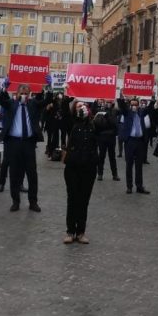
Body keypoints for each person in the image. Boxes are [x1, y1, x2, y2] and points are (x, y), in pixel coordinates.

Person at [0, 81, 46, 212]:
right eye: (21, 93)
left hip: (29, 143)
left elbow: (46, 101)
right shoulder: (11, 104)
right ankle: (15, 201)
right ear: (17, 93)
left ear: (29, 94)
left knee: (32, 173)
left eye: (26, 93)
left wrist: (49, 87)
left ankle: (33, 201)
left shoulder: (33, 104)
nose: (24, 95)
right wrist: (4, 87)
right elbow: (1, 99)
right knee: (14, 173)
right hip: (14, 142)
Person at [63, 101, 99, 244]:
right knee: (72, 199)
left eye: (84, 106)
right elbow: (65, 117)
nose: (81, 108)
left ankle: (81, 232)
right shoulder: (72, 123)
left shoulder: (93, 124)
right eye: (78, 106)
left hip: (89, 167)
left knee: (84, 200)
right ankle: (70, 231)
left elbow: (109, 125)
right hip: (72, 167)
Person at [117, 95, 151, 195]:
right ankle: (129, 186)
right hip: (130, 141)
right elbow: (122, 106)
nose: (134, 106)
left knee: (139, 165)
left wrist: (153, 99)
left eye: (136, 104)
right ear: (130, 105)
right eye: (132, 105)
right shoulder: (127, 112)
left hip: (140, 141)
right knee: (129, 164)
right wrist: (121, 97)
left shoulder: (141, 112)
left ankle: (139, 186)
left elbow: (149, 109)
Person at [93, 101, 120, 182]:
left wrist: (108, 115)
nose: (107, 103)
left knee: (112, 157)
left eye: (109, 102)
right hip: (102, 136)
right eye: (106, 102)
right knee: (101, 156)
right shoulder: (100, 111)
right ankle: (100, 174)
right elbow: (97, 123)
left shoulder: (114, 111)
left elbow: (114, 123)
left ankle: (115, 174)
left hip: (111, 137)